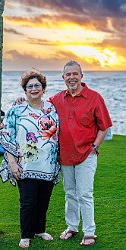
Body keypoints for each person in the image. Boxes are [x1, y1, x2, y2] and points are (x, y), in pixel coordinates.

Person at [14, 61, 113, 246]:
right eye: (68, 74)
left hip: (86, 155)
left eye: (75, 74)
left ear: (81, 76)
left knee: (84, 194)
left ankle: (89, 232)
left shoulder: (94, 98)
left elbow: (104, 126)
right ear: (63, 78)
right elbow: (38, 105)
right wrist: (22, 101)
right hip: (65, 156)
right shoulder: (56, 100)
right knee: (70, 194)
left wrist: (94, 147)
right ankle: (72, 227)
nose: (72, 77)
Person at [0, 69, 60, 248]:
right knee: (28, 201)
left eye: (37, 86)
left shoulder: (52, 108)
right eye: (30, 86)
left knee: (43, 200)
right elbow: (6, 135)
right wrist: (12, 163)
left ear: (43, 88)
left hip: (48, 164)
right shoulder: (16, 110)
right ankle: (26, 235)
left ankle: (40, 230)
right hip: (25, 164)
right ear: (25, 90)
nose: (34, 89)